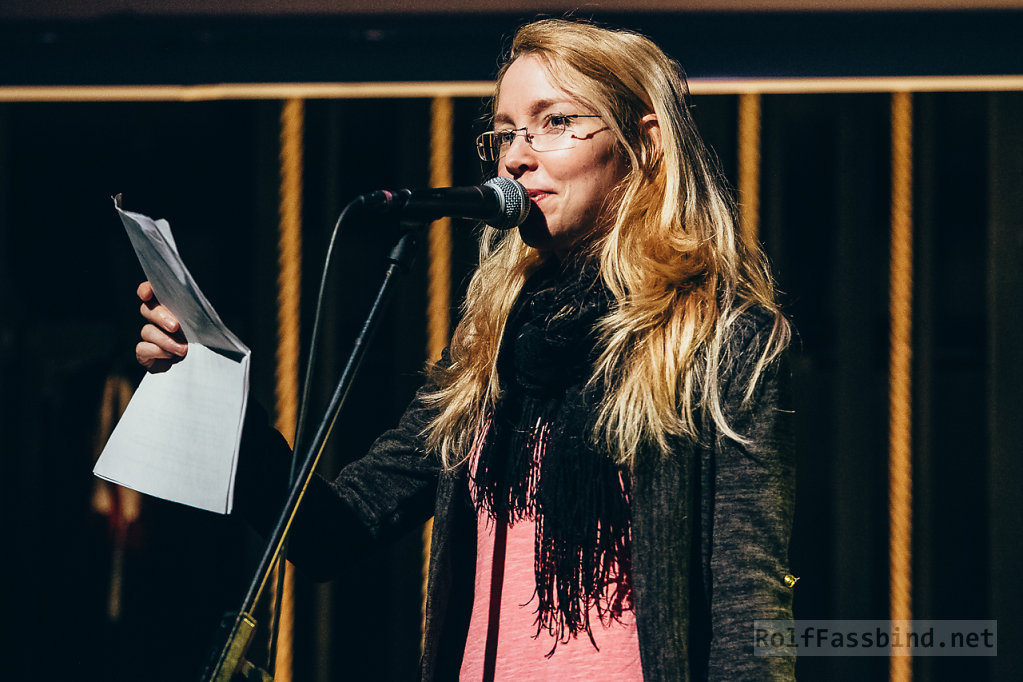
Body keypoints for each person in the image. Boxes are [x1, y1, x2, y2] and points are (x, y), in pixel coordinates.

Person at [136, 18, 796, 681]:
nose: (516, 154)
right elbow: (326, 534)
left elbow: (747, 607)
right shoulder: (491, 348)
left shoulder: (717, 339)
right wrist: (209, 380)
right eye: (505, 132)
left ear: (645, 142)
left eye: (554, 120)